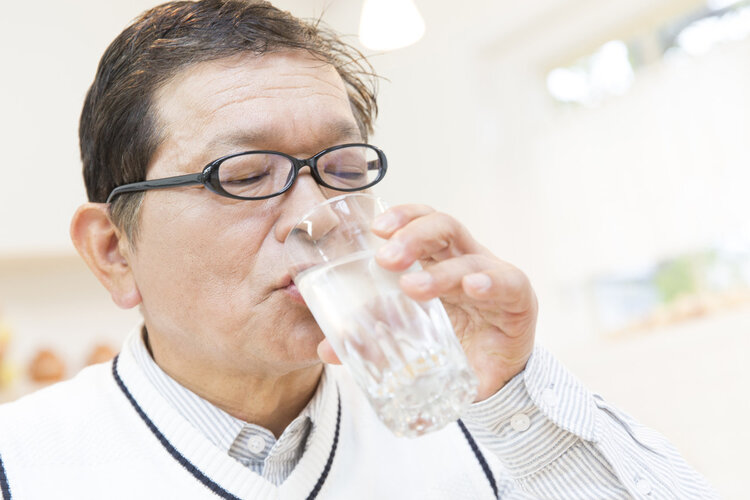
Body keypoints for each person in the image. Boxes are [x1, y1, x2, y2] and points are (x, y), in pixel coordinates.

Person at [0, 1, 718, 498]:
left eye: (343, 170)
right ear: (112, 252)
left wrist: (513, 393)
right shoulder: (21, 463)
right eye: (246, 176)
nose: (316, 215)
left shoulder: (472, 418)